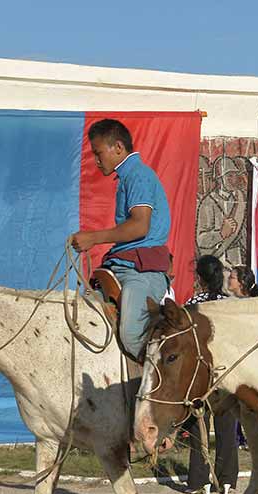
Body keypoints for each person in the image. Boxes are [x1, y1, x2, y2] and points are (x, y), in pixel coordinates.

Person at [70, 119, 172, 363]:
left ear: (117, 147)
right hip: (121, 267)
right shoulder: (127, 177)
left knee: (130, 335)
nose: (96, 160)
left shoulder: (138, 176)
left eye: (98, 153)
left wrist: (93, 238)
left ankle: (156, 395)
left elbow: (139, 226)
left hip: (141, 272)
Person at [182, 255, 239, 494]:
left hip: (201, 371)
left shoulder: (193, 303)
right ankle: (226, 479)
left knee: (198, 424)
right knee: (227, 424)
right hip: (225, 370)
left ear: (200, 278)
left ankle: (198, 480)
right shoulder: (230, 304)